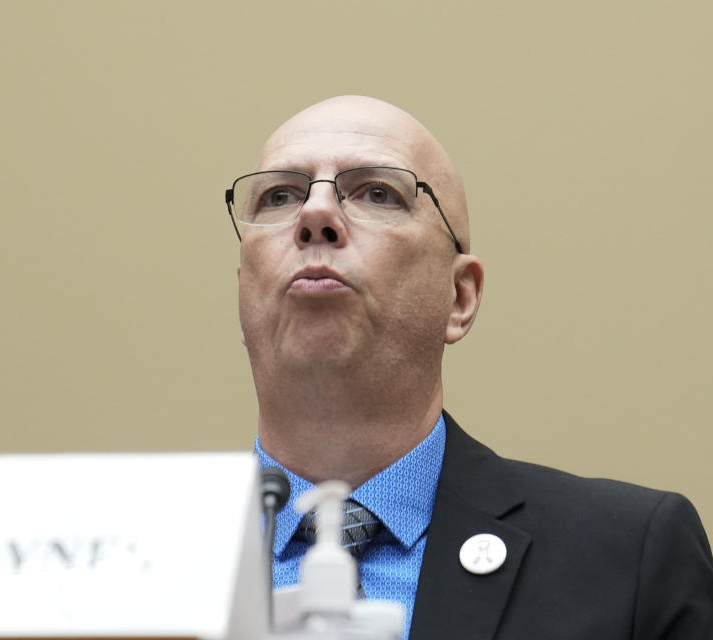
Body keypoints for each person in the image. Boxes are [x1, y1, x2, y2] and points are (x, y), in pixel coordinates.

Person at [226, 95, 713, 639]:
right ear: (245, 292)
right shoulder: (136, 554)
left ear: (459, 297)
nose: (315, 214)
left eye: (378, 192)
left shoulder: (628, 561)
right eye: (280, 195)